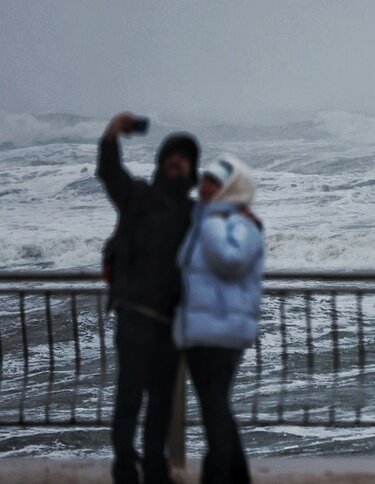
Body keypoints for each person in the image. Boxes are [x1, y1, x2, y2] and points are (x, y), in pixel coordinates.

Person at [98, 113, 200, 483]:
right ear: (162, 161)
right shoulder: (138, 197)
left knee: (160, 404)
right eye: (173, 154)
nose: (178, 160)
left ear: (191, 169)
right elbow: (110, 173)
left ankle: (155, 468)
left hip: (171, 323)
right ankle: (125, 467)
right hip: (135, 316)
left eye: (185, 157)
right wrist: (111, 134)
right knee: (128, 398)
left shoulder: (193, 213)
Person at [174, 154, 264, 484]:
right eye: (205, 182)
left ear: (231, 187)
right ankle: (238, 477)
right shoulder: (206, 220)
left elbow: (230, 261)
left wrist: (210, 219)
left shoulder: (242, 223)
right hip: (200, 330)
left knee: (215, 411)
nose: (206, 188)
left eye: (215, 183)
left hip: (223, 331)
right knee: (217, 410)